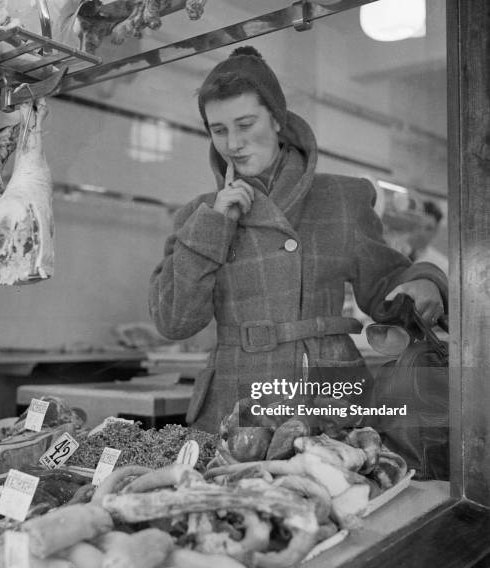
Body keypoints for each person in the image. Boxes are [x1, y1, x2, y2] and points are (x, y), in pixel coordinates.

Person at [149, 46, 448, 433]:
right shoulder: (200, 214)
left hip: (324, 393)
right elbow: (174, 322)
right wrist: (213, 227)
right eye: (218, 130)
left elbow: (387, 291)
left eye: (245, 124)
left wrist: (425, 281)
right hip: (235, 395)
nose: (233, 143)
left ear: (276, 119)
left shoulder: (342, 197)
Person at [408, 200, 449, 274]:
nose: (421, 233)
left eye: (428, 228)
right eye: (418, 225)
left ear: (435, 231)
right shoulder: (392, 250)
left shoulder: (442, 266)